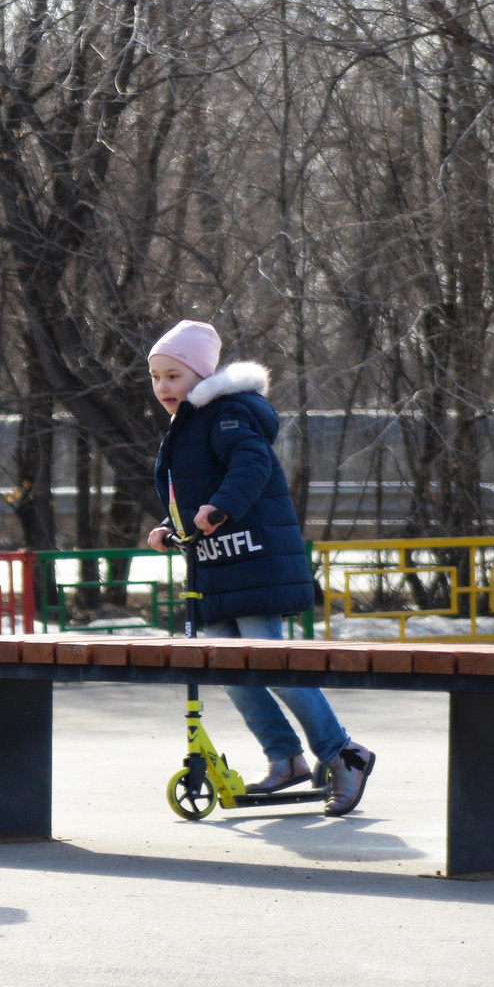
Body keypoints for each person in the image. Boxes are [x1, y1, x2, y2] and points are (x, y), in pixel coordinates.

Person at [141, 320, 376, 815]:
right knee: (230, 670)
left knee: (272, 664)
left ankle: (344, 754)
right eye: (157, 377)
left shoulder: (225, 414)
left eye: (174, 376)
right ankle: (285, 759)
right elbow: (193, 495)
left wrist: (220, 508)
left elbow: (251, 465)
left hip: (254, 559)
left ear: (200, 377)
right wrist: (171, 524)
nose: (163, 387)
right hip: (216, 564)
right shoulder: (184, 428)